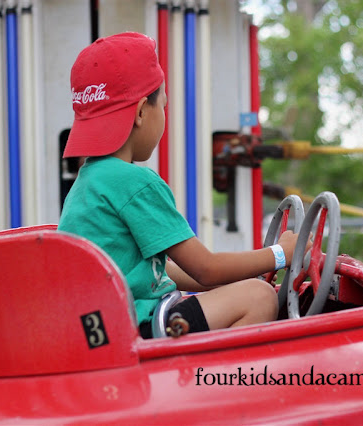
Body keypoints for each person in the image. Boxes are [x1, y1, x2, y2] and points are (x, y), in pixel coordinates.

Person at [58, 32, 307, 339]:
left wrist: (249, 270)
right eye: (163, 105)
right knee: (260, 297)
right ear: (141, 112)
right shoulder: (135, 183)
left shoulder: (88, 183)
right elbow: (206, 268)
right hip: (136, 329)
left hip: (102, 330)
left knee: (247, 289)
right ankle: (216, 371)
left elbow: (163, 272)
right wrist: (281, 253)